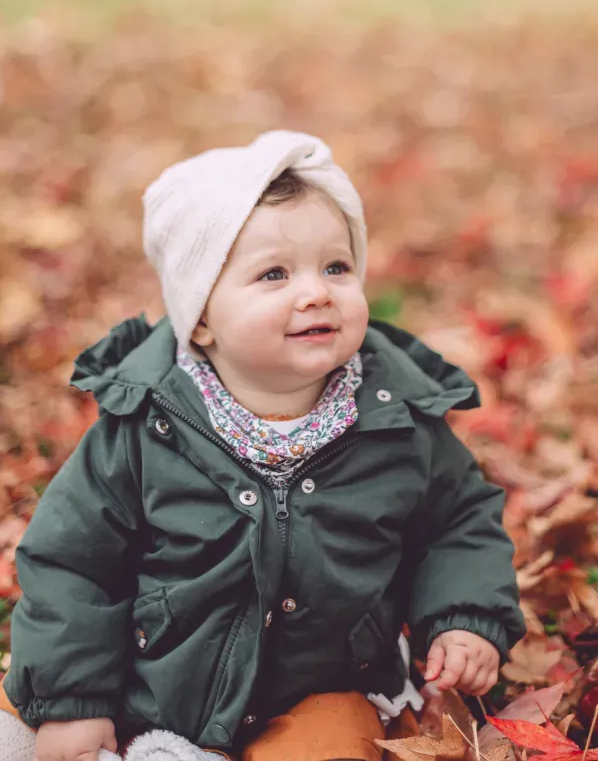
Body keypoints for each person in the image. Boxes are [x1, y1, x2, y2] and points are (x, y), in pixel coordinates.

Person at [0, 131, 525, 761]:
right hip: (154, 677)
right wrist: (71, 703)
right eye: (273, 274)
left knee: (331, 749)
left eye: (336, 266)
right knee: (23, 720)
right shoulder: (142, 429)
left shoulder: (397, 422)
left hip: (324, 683)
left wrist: (465, 618)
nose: (316, 292)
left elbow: (459, 523)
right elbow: (72, 563)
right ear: (199, 319)